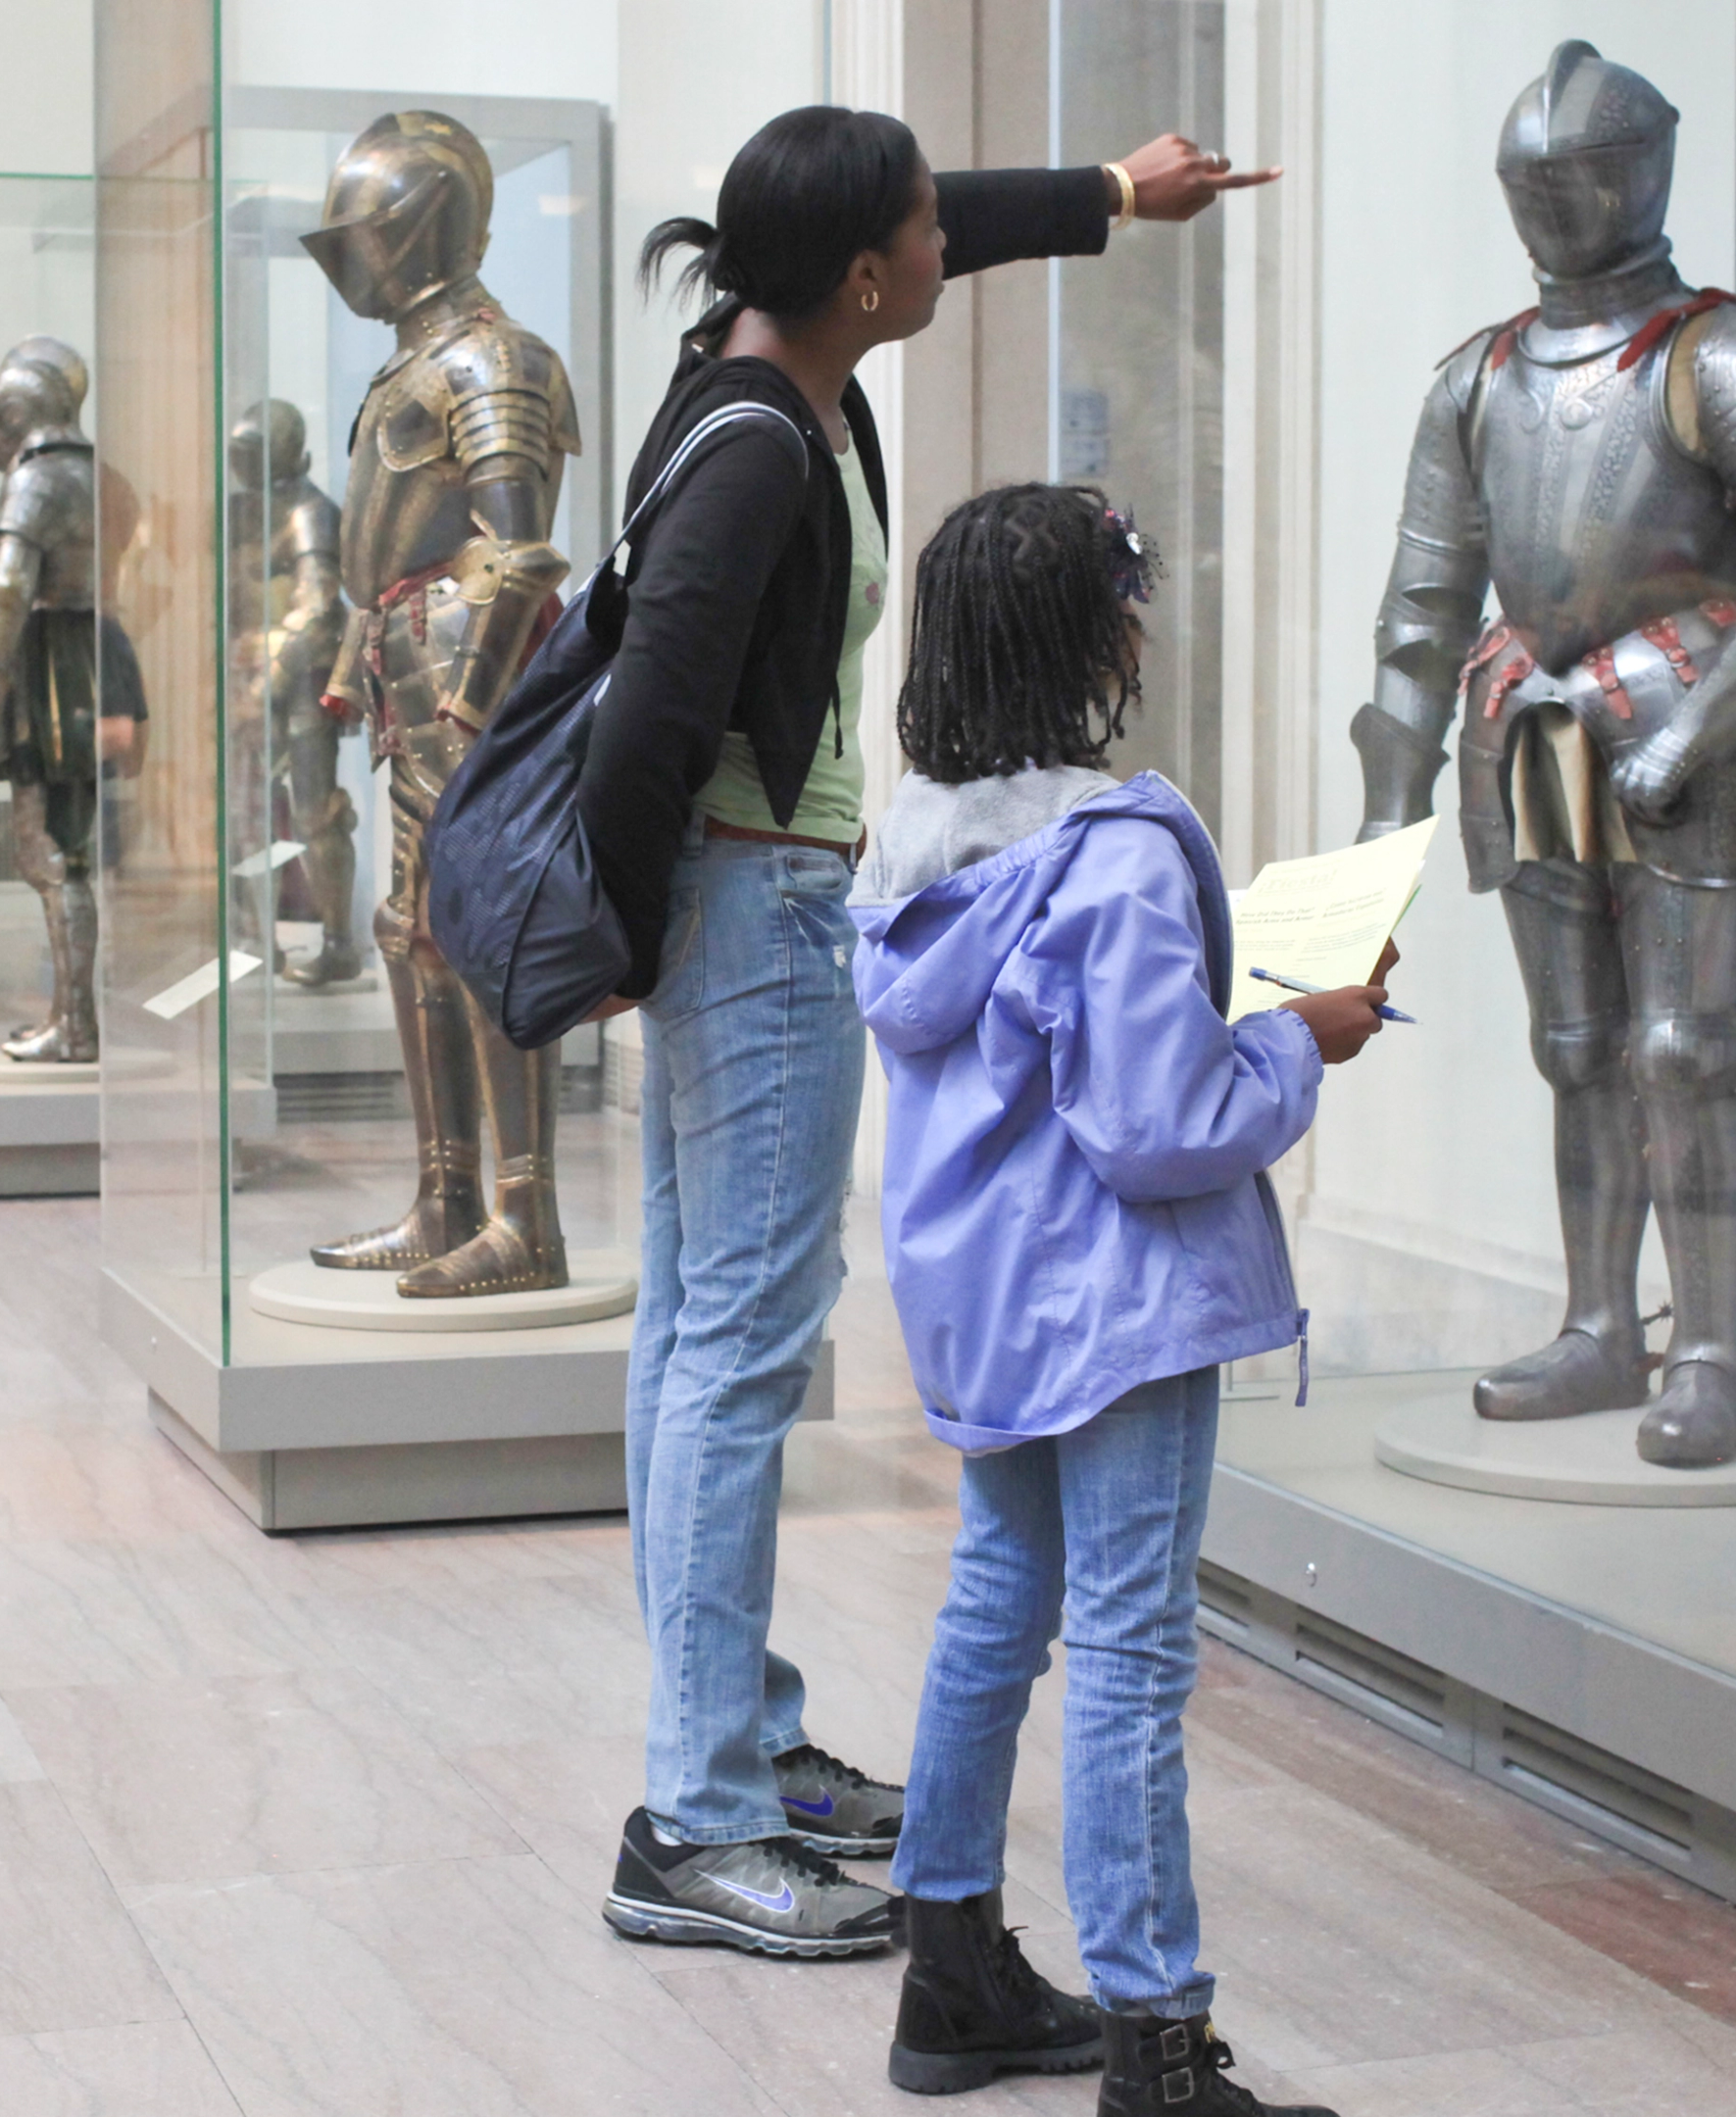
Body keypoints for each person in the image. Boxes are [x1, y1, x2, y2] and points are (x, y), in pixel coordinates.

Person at [583, 109, 1272, 1960]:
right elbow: (646, 720)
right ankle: (700, 1816)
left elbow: (927, 213)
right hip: (749, 907)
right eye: (922, 231)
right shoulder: (757, 447)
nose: (945, 244)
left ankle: (733, 1741)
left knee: (696, 1337)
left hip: (737, 901)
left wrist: (1113, 196)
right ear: (864, 275)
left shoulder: (775, 354)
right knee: (738, 1355)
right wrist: (639, 941)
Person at [853, 486, 1380, 2116]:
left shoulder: (911, 838)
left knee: (996, 1602)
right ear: (1090, 642)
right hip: (1118, 1306)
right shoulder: (1120, 853)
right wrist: (1299, 1039)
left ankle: (950, 1974)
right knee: (1133, 1655)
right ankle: (1159, 2045)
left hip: (987, 1302)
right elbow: (1160, 1129)